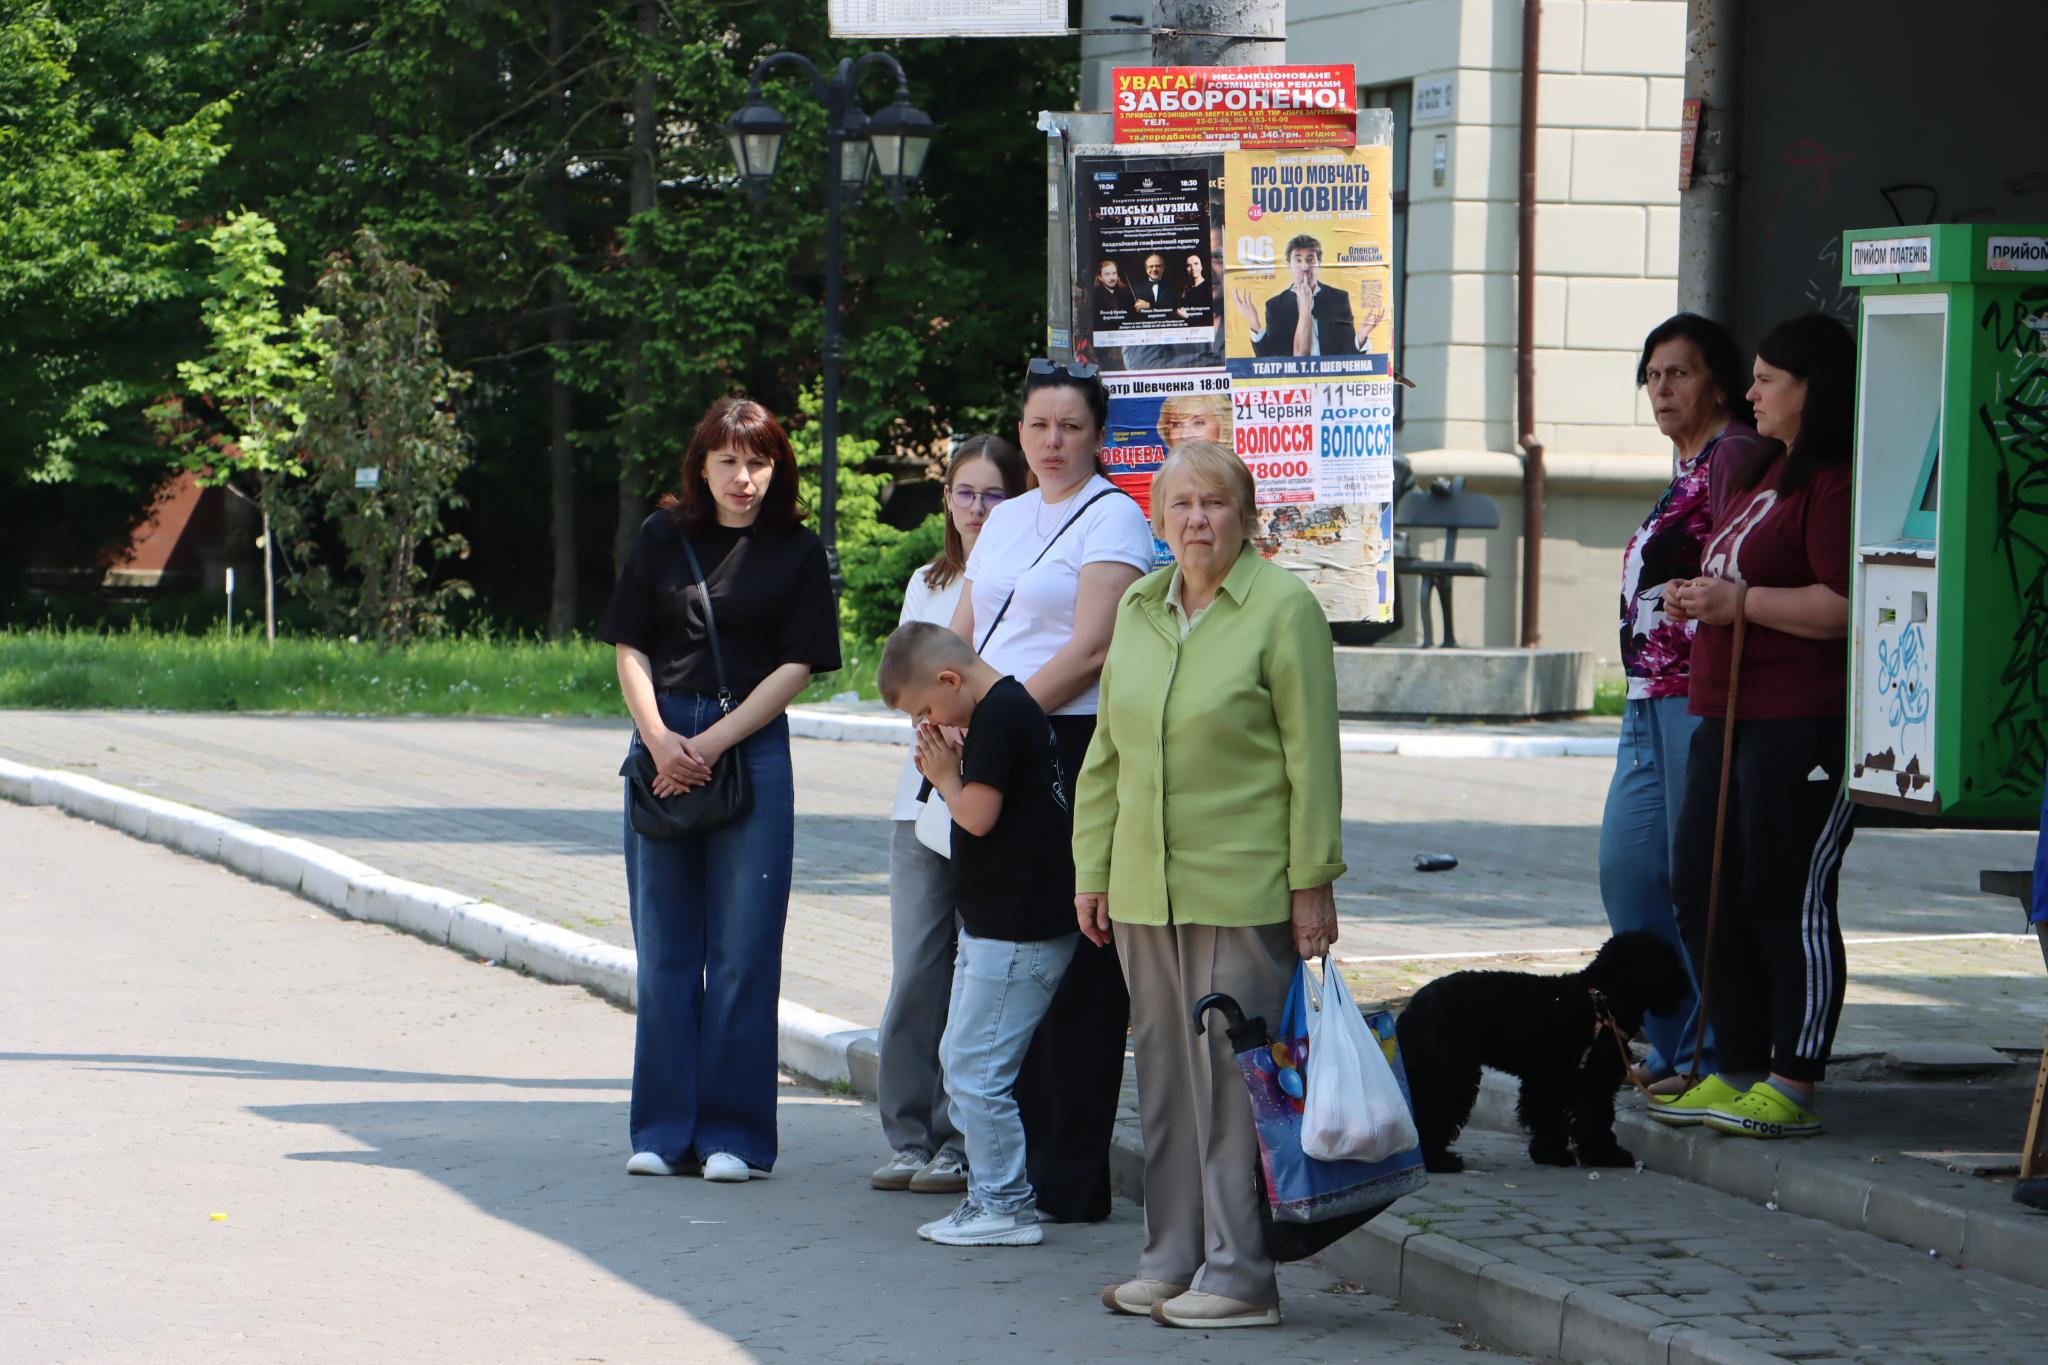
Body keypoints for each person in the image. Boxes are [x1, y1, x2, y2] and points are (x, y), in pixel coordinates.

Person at [1073, 441, 1344, 1329]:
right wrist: (1093, 867)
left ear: (1246, 514)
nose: (1197, 519)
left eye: (1215, 503)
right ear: (1158, 520)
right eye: (1180, 504)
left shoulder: (1282, 607)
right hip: (1145, 885)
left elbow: (1313, 757)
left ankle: (1241, 1274)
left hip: (1240, 882)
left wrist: (1313, 882)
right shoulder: (1142, 607)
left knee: (1231, 1084)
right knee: (1161, 1077)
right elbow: (1106, 753)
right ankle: (1172, 1255)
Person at [599, 396, 842, 1183]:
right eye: (730, 461)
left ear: (778, 466)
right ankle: (663, 1130)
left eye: (759, 461)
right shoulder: (662, 537)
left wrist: (710, 742)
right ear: (702, 464)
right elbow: (629, 645)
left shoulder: (797, 549)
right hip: (661, 742)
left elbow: (798, 664)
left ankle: (734, 1135)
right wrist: (663, 740)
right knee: (665, 946)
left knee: (743, 947)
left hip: (750, 745)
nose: (745, 477)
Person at [947, 358, 1155, 1222]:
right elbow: (962, 626)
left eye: (1071, 427)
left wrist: (997, 716)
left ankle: (1069, 1177)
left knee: (1072, 961)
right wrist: (947, 703)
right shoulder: (1007, 517)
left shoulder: (1115, 518)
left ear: (1098, 436)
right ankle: (1005, 1165)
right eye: (1039, 426)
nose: (1053, 442)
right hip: (999, 739)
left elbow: (1093, 647)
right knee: (1001, 944)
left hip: (1067, 741)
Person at [1654, 314, 1857, 1140]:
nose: (1752, 392)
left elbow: (1845, 604)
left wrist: (1743, 603)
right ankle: (1732, 1063)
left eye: (1769, 379)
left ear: (1814, 390)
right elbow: (1734, 571)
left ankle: (1793, 1077)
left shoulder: (1833, 481)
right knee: (1704, 886)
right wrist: (1698, 593)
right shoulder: (1768, 469)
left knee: (1785, 895)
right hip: (1724, 714)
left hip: (1798, 720)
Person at [1600, 314, 1768, 1095]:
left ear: (1721, 383)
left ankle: (1709, 1054)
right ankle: (1671, 1039)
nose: (1664, 389)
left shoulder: (1732, 457)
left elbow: (1746, 559)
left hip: (1695, 696)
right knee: (1630, 871)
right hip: (1645, 697)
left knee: (1694, 876)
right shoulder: (1688, 466)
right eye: (1654, 375)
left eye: (1681, 373)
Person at [876, 622, 1079, 1247]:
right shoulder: (1007, 708)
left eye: (926, 710)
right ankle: (999, 1198)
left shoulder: (997, 717)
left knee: (977, 1070)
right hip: (1003, 926)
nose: (927, 725)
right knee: (965, 1061)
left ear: (949, 680)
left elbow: (977, 815)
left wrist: (944, 776)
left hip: (1017, 930)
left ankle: (1002, 1203)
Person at [871, 435, 1029, 1195]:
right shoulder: (926, 582)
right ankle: (906, 1132)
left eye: (993, 494)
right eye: (964, 493)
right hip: (923, 802)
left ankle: (959, 1138)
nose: (976, 508)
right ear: (946, 501)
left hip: (987, 799)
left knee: (977, 972)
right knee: (917, 972)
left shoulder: (1024, 573)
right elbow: (911, 689)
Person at [1231, 235, 1383, 359]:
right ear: (1287, 264)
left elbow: (1348, 357)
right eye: (1298, 260)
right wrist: (1254, 323)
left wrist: (1362, 336)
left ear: (1319, 264)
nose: (1304, 267)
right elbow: (1270, 359)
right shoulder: (1276, 305)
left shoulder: (1338, 298)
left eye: (1310, 259)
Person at [1155, 393, 1231, 451]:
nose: (1185, 435)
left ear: (1222, 427)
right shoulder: (1164, 471)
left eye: (1198, 423)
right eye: (1176, 424)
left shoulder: (1235, 470)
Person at [1089, 259, 1134, 328]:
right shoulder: (1095, 296)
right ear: (1100, 277)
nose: (1112, 277)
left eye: (1114, 273)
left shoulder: (1126, 293)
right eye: (1107, 274)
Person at [1178, 250, 1213, 317]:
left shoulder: (1209, 287)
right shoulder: (1185, 289)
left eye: (1196, 263)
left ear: (1201, 266)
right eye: (1189, 265)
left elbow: (1208, 317)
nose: (1193, 268)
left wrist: (1187, 317)